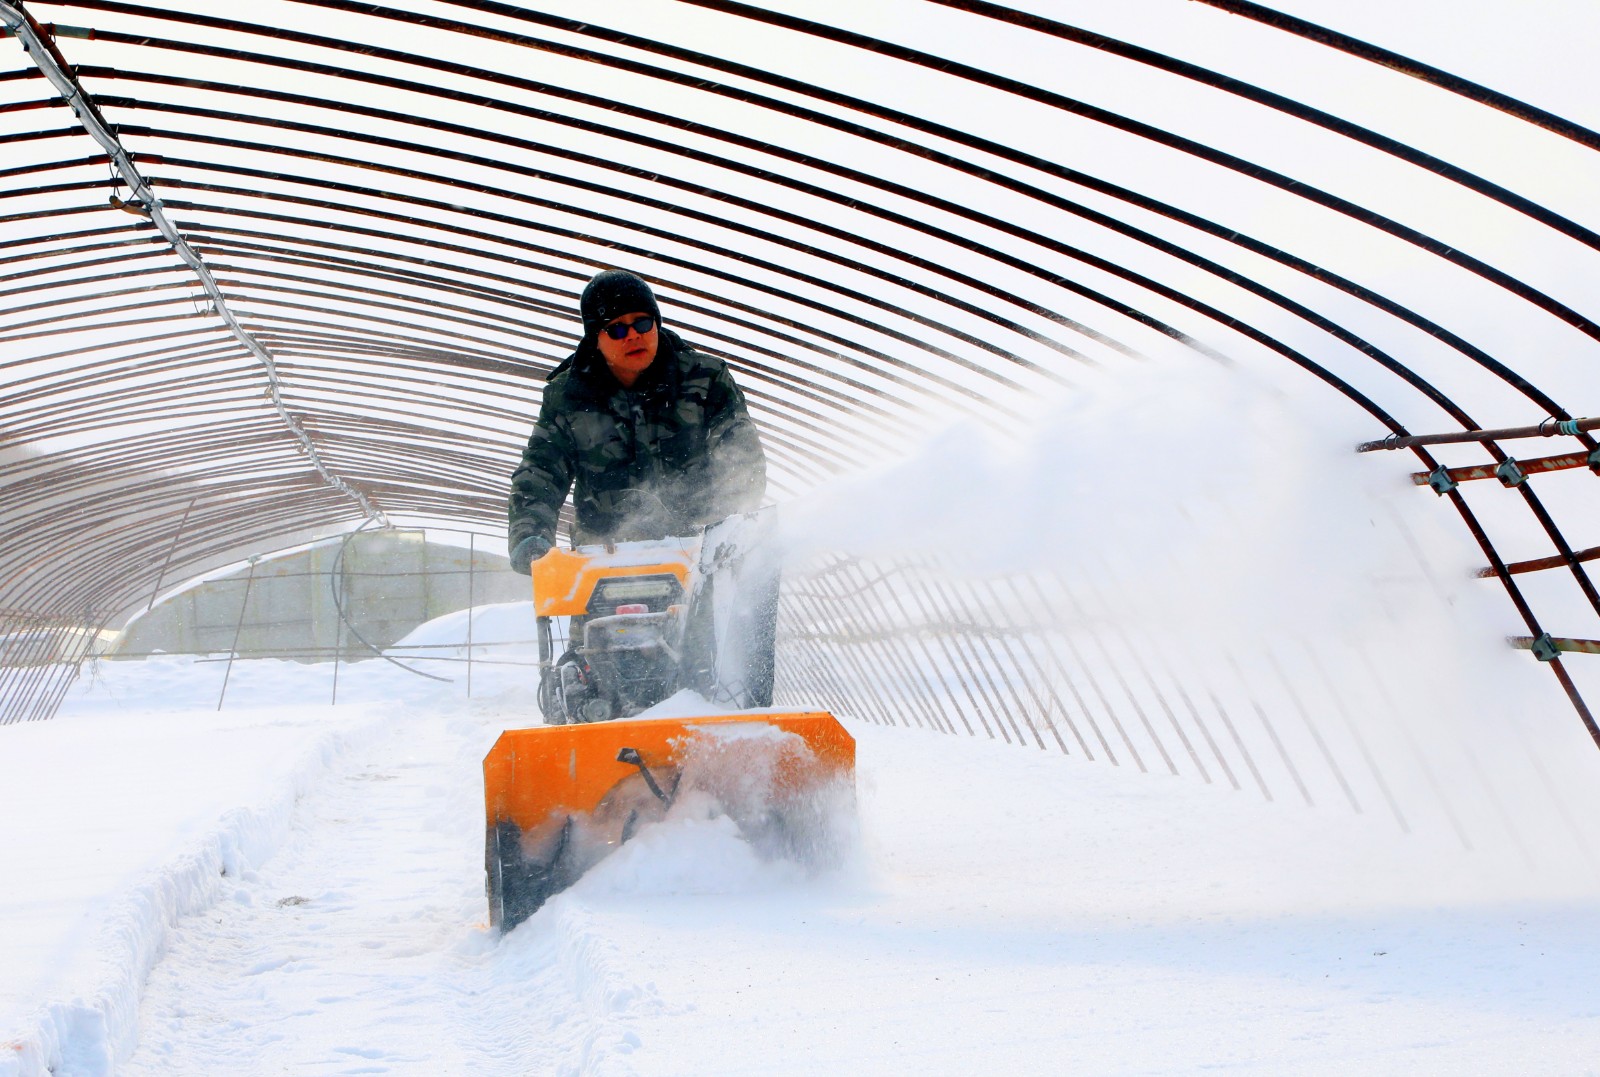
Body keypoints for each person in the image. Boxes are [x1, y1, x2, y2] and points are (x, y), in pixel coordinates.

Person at [507, 269, 767, 573]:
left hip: (698, 559)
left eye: (642, 323)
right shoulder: (569, 397)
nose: (632, 335)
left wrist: (724, 530)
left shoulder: (706, 381)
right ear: (596, 339)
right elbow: (541, 473)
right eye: (616, 329)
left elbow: (742, 460)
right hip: (604, 562)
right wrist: (531, 537)